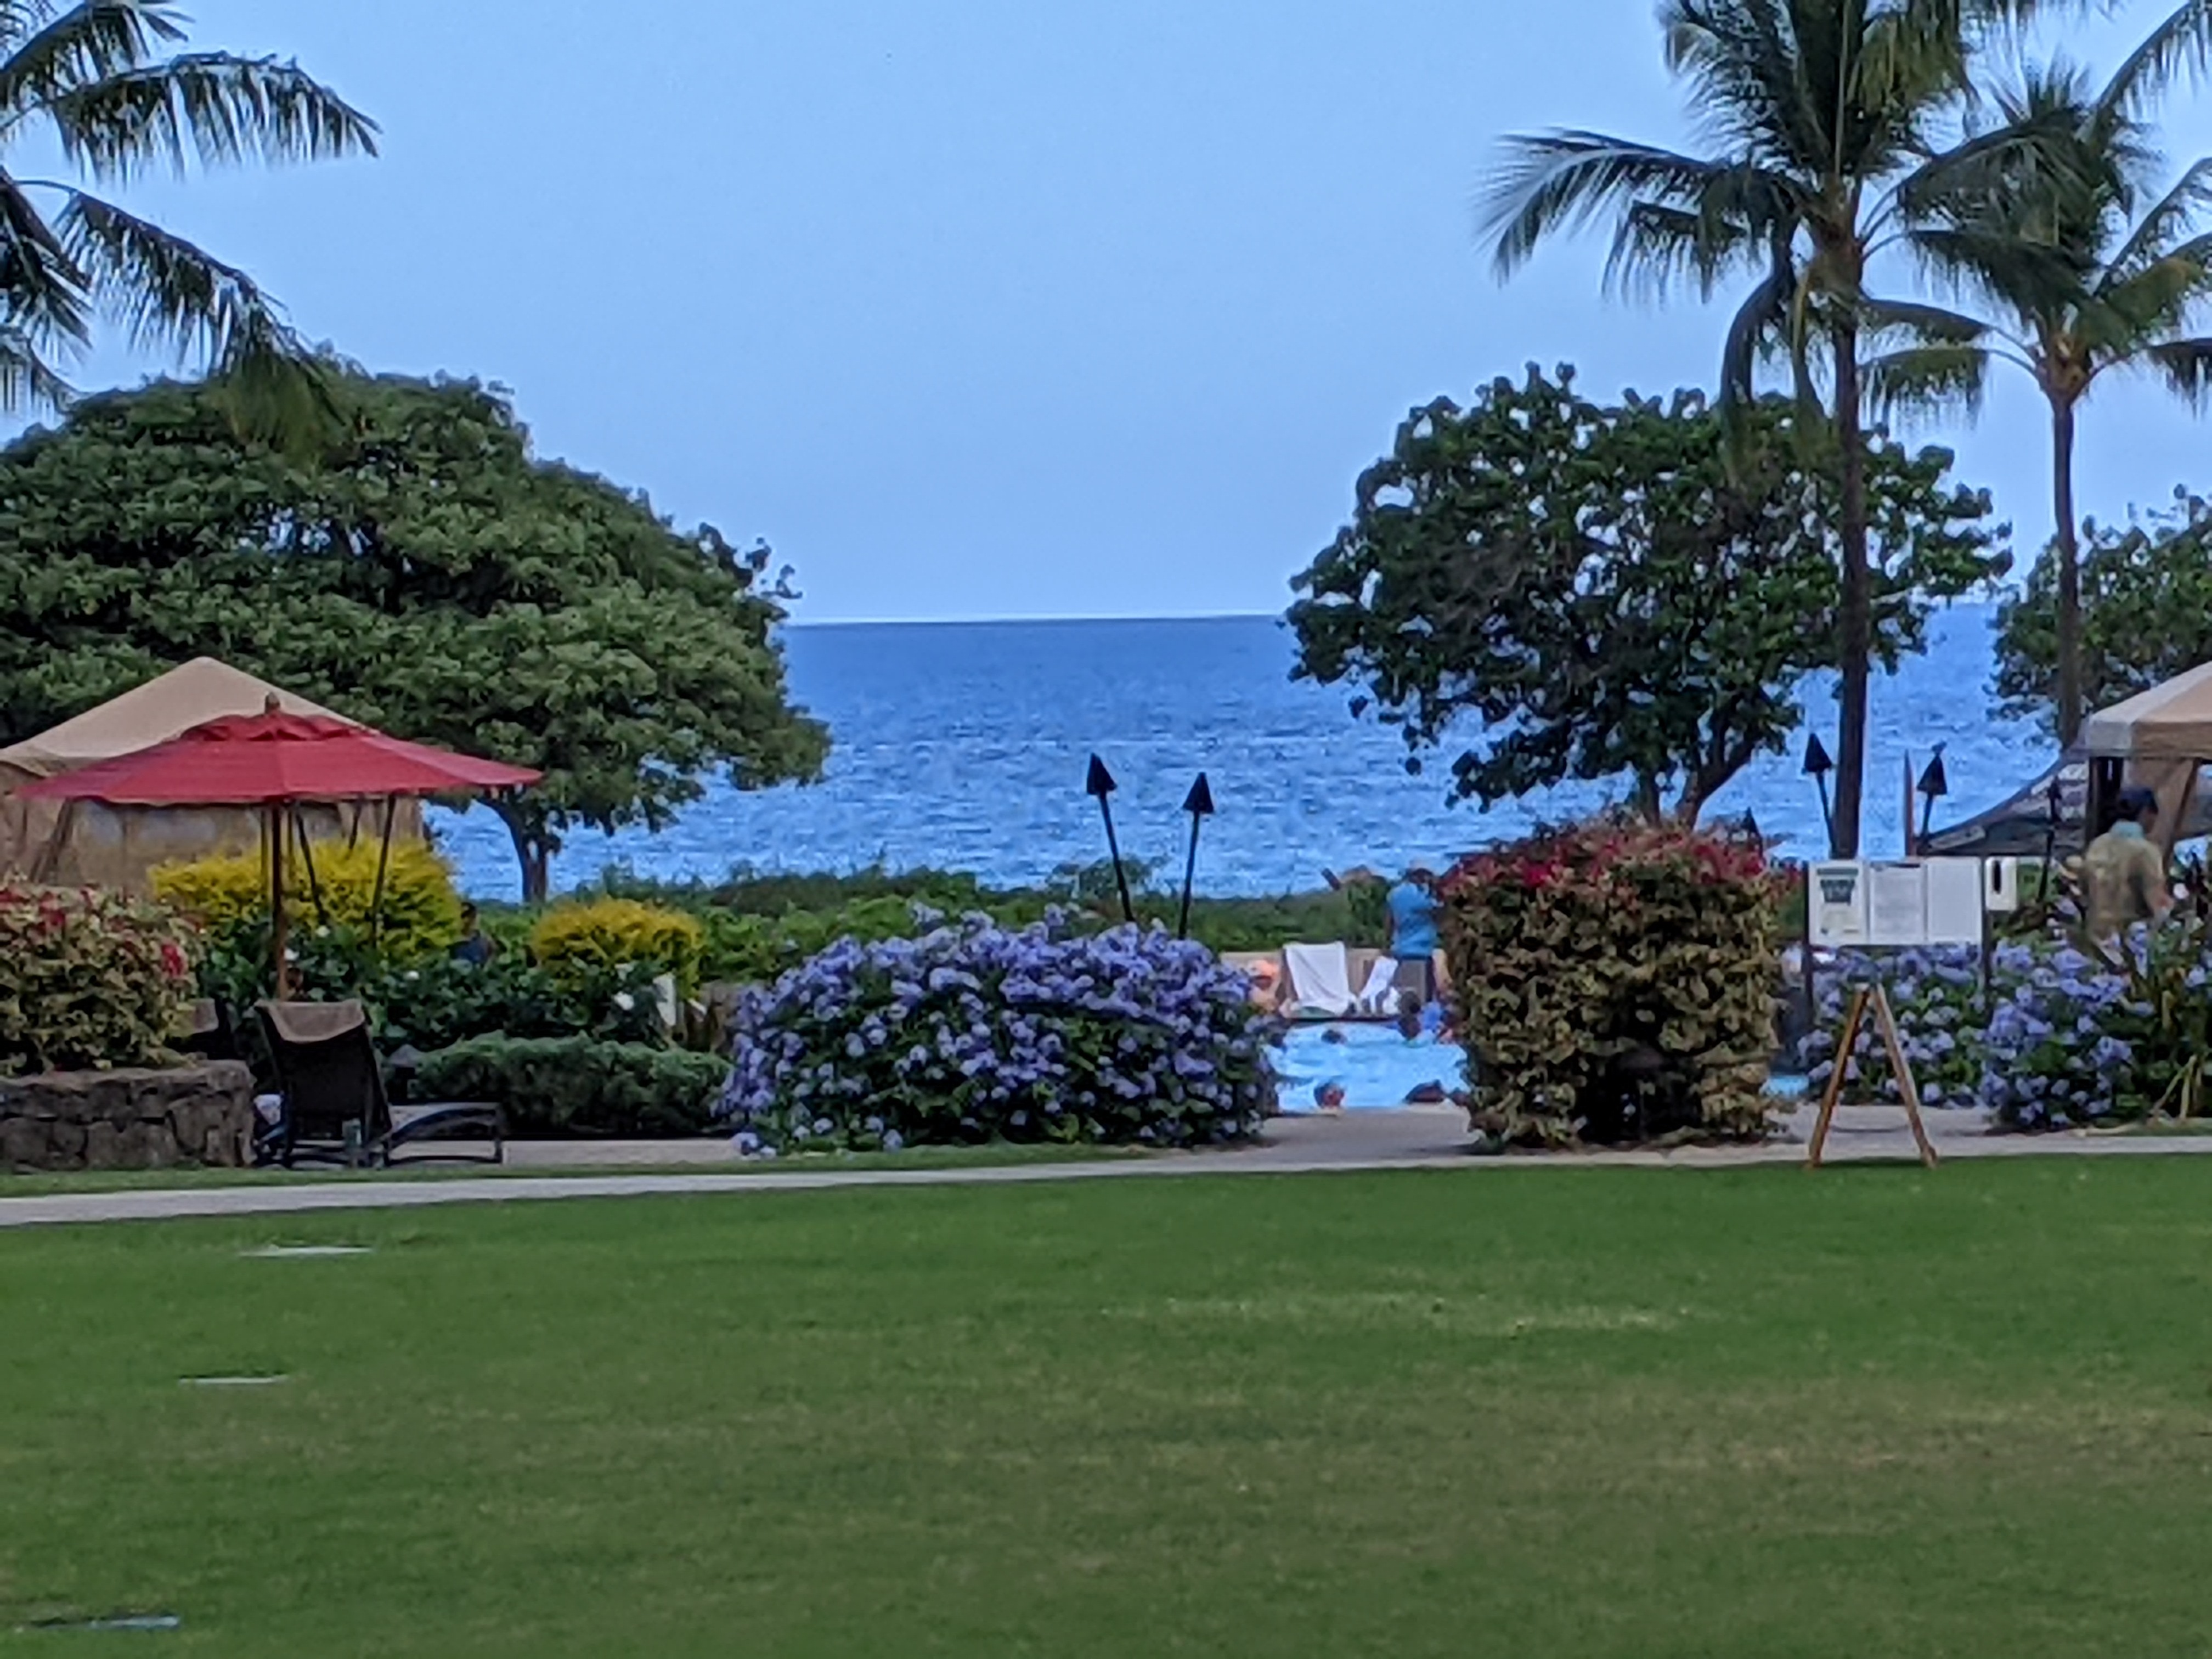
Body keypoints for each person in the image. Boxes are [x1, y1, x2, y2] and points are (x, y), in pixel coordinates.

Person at [2083, 785, 2175, 941]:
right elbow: (2157, 903)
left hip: (2096, 938)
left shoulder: (2097, 845)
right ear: (2146, 813)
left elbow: (2084, 892)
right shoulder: (2146, 851)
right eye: (2155, 816)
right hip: (2128, 941)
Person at [1385, 865, 1441, 1001]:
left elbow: (1389, 922)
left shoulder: (1394, 894)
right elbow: (1441, 909)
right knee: (1424, 999)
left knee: (1402, 999)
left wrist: (1387, 944)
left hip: (1400, 952)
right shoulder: (1421, 895)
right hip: (1422, 952)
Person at [450, 902, 497, 966]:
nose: (474, 920)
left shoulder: (484, 938)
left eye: (475, 917)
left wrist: (487, 966)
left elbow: (493, 952)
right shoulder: (453, 938)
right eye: (466, 916)